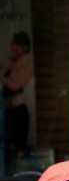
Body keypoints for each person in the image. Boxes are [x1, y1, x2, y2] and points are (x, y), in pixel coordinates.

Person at [1, 31, 35, 165]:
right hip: (7, 109)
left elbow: (16, 86)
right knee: (8, 147)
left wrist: (2, 78)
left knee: (19, 148)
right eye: (13, 44)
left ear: (25, 47)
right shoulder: (11, 61)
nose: (15, 47)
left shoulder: (28, 62)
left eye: (18, 45)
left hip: (19, 109)